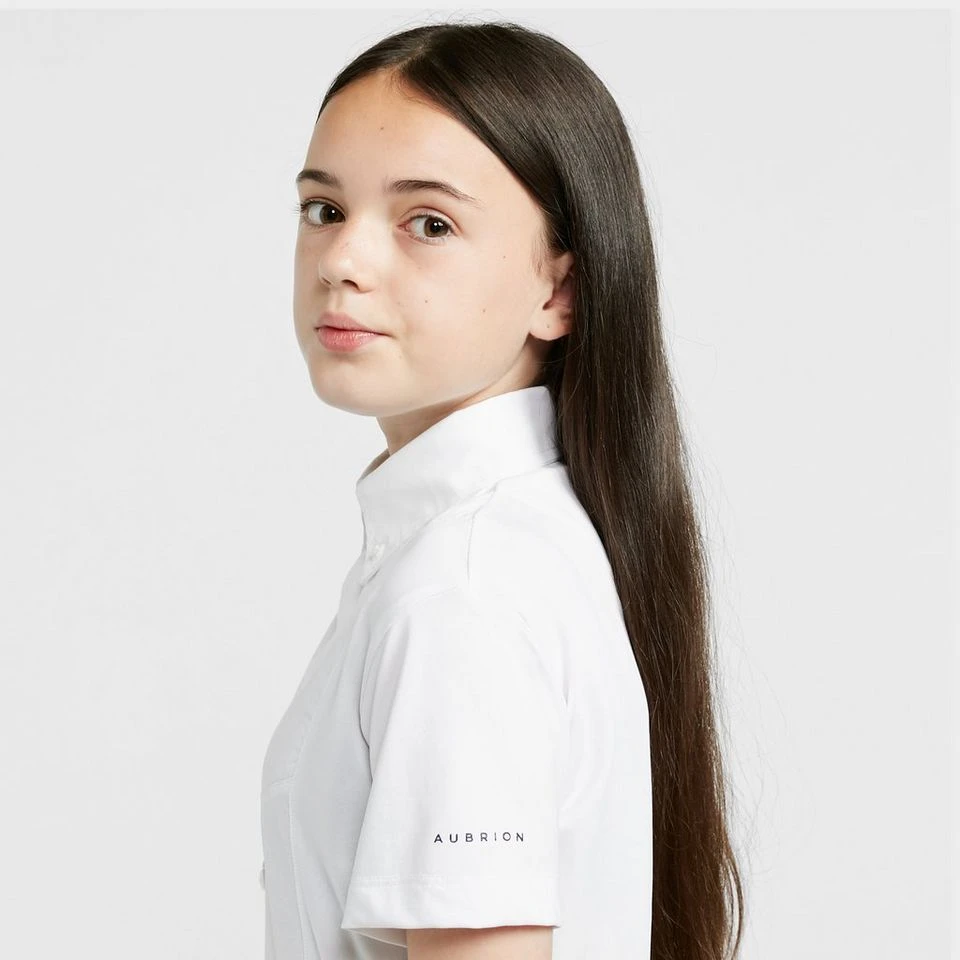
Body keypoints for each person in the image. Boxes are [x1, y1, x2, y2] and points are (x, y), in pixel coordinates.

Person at [260, 19, 745, 960]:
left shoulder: (461, 592)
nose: (342, 260)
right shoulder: (500, 549)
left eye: (428, 223)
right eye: (324, 208)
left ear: (559, 291)